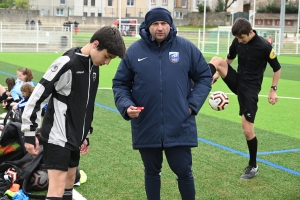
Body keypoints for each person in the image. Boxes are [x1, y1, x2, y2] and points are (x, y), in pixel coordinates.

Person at [112, 7, 212, 200]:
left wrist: (192, 105)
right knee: (151, 173)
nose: (160, 28)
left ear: (170, 25)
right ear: (147, 26)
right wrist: (126, 105)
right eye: (155, 24)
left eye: (164, 23)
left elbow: (204, 76)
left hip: (180, 124)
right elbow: (120, 83)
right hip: (146, 124)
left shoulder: (186, 48)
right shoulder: (134, 51)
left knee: (184, 172)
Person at [21, 26, 126, 200]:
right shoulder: (67, 63)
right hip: (57, 136)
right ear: (95, 44)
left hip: (74, 137)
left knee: (70, 183)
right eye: (107, 56)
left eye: (111, 59)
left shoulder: (93, 66)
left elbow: (84, 104)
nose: (107, 62)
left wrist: (85, 135)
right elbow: (37, 97)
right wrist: (29, 133)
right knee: (57, 189)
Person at [208, 18, 281, 179]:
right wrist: (217, 75)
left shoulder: (264, 46)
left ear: (250, 32)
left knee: (248, 131)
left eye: (242, 38)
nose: (239, 41)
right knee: (216, 60)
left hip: (250, 90)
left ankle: (253, 166)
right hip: (238, 80)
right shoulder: (237, 41)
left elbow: (277, 68)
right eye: (237, 38)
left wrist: (273, 90)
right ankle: (200, 81)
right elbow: (228, 60)